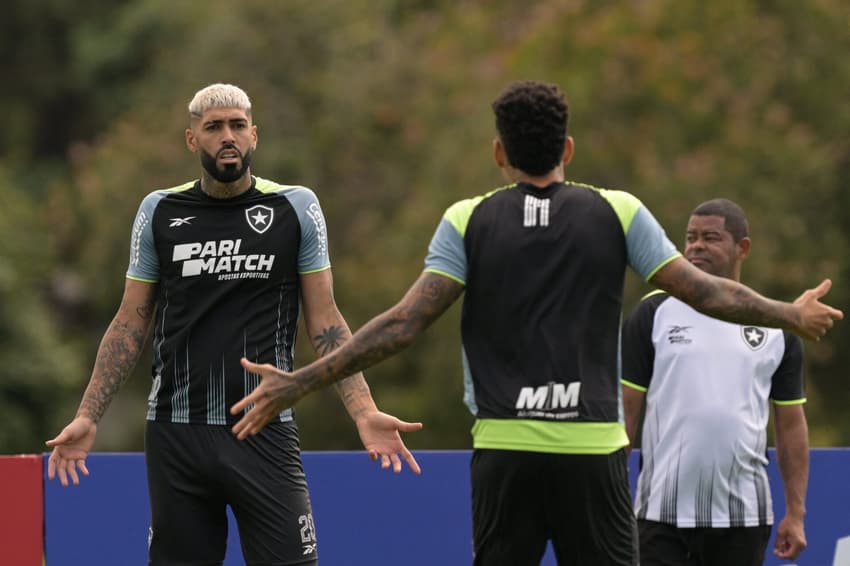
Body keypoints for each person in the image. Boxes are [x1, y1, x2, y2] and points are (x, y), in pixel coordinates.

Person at [228, 80, 842, 565]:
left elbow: (403, 325)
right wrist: (788, 313)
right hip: (592, 454)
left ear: (499, 152)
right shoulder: (618, 212)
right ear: (567, 149)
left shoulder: (468, 219)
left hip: (505, 451)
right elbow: (708, 293)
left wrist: (300, 381)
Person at [45, 83, 423, 566]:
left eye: (238, 126)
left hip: (264, 429)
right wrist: (88, 414)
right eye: (214, 127)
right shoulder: (159, 210)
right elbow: (129, 322)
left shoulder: (296, 207)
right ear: (191, 139)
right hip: (176, 436)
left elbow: (326, 321)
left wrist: (364, 410)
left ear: (254, 136)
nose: (228, 137)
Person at [621, 198, 809, 565]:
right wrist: (608, 500)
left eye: (711, 237)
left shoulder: (777, 327)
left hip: (743, 517)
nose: (696, 246)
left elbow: (791, 426)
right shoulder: (653, 313)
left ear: (743, 248)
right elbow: (625, 415)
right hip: (661, 515)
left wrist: (796, 513)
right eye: (691, 237)